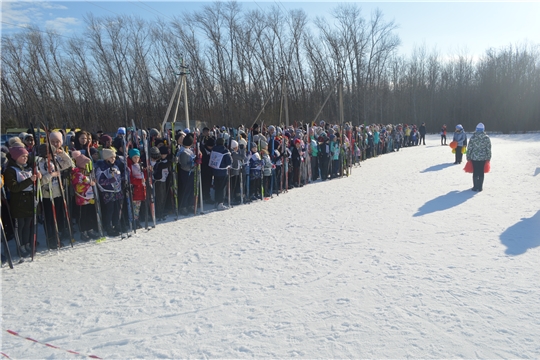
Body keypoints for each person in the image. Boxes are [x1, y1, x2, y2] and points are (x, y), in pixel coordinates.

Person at [4, 146, 41, 257]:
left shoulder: (28, 168)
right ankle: (20, 246)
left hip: (29, 200)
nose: (25, 158)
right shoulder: (10, 170)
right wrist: (30, 180)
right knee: (20, 225)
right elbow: (14, 187)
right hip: (19, 201)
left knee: (28, 225)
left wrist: (37, 178)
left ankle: (27, 243)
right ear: (15, 157)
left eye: (26, 156)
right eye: (22, 156)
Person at [466, 123, 491, 192]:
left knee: (475, 171)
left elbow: (469, 148)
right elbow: (488, 148)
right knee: (481, 172)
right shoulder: (486, 138)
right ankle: (480, 187)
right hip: (483, 158)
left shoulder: (473, 137)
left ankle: (475, 186)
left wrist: (468, 156)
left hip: (474, 157)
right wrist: (488, 157)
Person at [209, 137, 232, 210]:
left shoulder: (213, 149)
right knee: (222, 188)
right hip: (222, 171)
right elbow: (229, 161)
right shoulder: (225, 150)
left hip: (215, 170)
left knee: (217, 186)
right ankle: (220, 203)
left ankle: (216, 201)